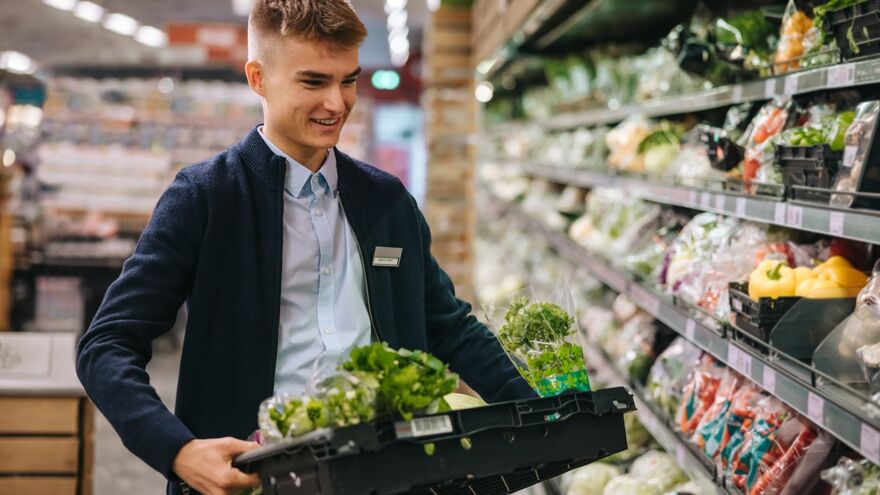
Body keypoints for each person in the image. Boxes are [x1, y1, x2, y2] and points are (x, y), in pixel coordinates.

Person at [75, 1, 535, 494]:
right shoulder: (206, 197)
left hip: (390, 475)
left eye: (348, 80)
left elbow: (450, 328)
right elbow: (107, 345)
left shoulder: (386, 201)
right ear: (259, 78)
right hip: (255, 480)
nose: (336, 104)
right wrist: (178, 451)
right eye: (314, 82)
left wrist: (544, 413)